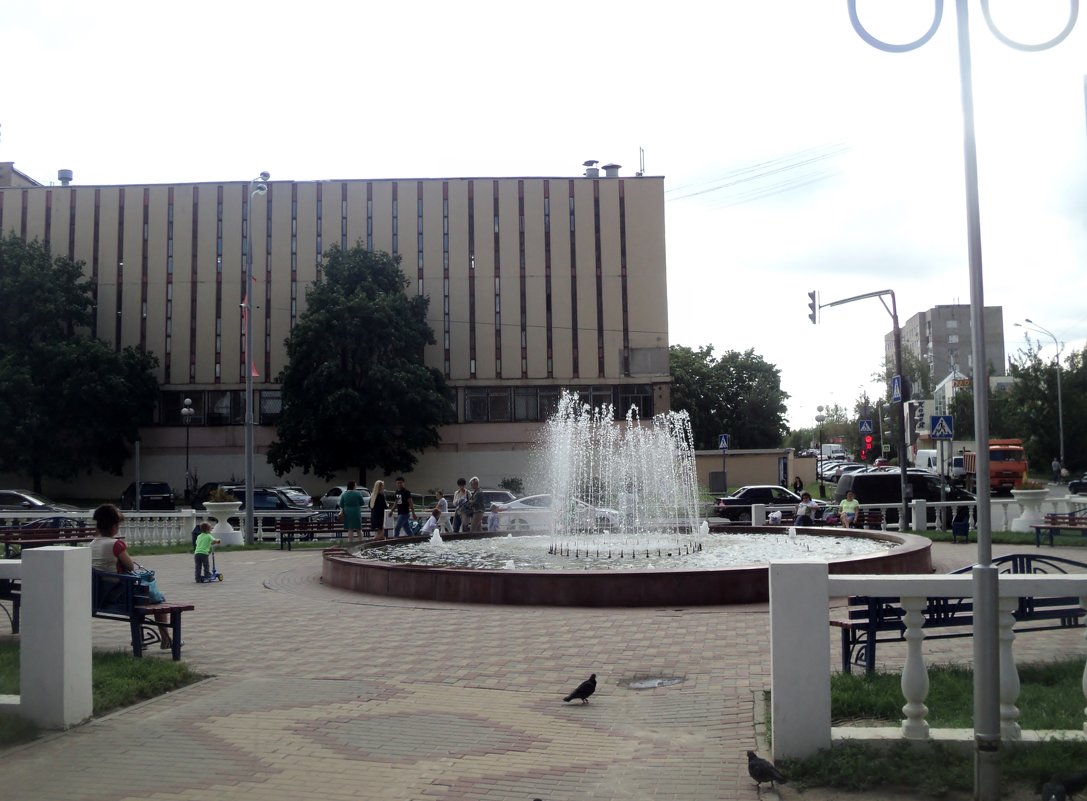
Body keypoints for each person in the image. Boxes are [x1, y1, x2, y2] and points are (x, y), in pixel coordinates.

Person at [90, 503, 174, 650]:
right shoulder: (116, 544)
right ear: (114, 526)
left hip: (98, 594)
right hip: (118, 594)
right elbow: (130, 566)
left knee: (138, 595)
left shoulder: (91, 544)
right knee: (157, 599)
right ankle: (165, 638)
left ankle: (140, 639)